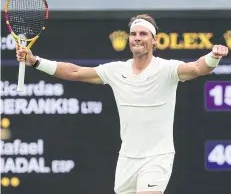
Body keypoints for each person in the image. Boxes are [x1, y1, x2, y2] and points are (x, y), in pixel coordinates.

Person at [16, 14, 229, 194]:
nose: (137, 38)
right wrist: (36, 62)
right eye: (134, 34)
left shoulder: (167, 69)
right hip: (127, 159)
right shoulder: (116, 70)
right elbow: (75, 71)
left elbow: (198, 68)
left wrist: (213, 57)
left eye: (143, 34)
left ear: (154, 41)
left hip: (157, 157)